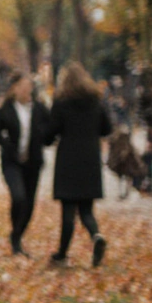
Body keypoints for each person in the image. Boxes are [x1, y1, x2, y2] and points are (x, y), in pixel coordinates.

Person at [46, 61, 113, 268]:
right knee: (86, 209)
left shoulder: (61, 102)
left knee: (68, 210)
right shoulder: (95, 101)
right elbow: (106, 128)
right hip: (90, 158)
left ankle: (62, 254)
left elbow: (50, 133)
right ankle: (96, 235)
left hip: (68, 159)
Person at [0, 72, 51, 257]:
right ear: (14, 88)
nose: (26, 90)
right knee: (18, 197)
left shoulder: (40, 109)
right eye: (22, 86)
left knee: (30, 203)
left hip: (33, 162)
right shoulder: (5, 109)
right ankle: (15, 237)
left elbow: (49, 131)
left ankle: (16, 236)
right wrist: (6, 143)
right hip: (12, 162)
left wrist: (41, 136)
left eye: (29, 86)